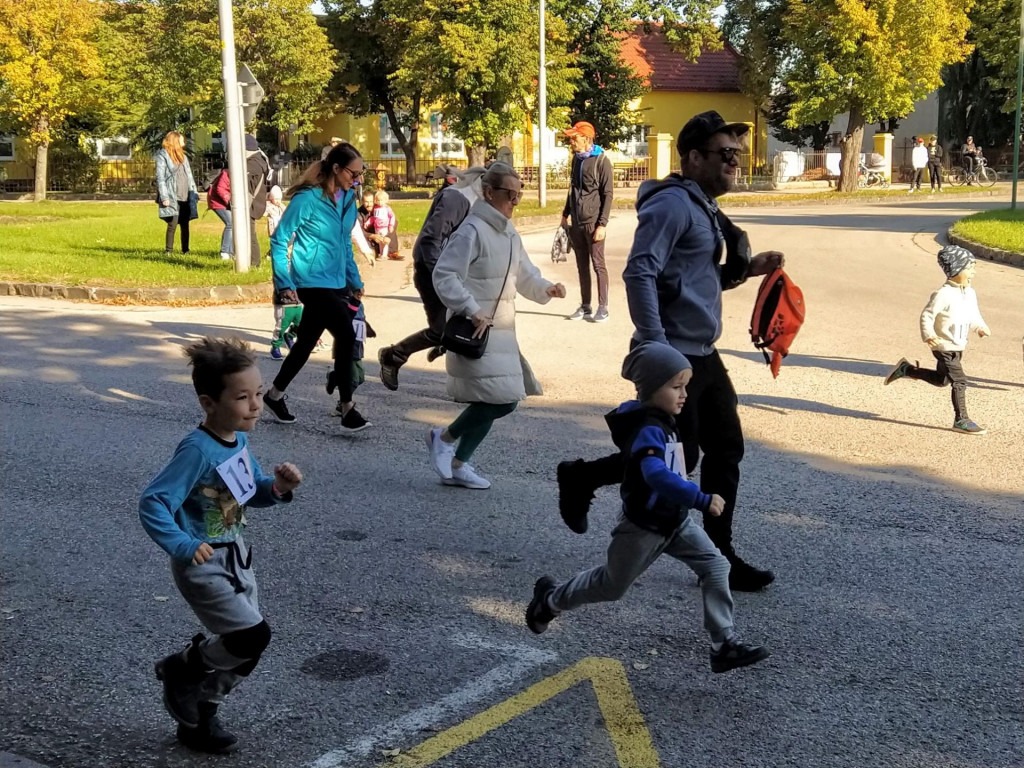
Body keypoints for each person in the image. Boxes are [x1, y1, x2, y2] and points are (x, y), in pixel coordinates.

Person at [558, 111, 783, 592]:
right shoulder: (673, 206)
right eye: (725, 155)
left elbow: (694, 281)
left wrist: (748, 271)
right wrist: (658, 347)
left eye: (737, 157)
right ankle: (580, 478)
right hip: (676, 354)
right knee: (675, 454)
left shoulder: (700, 204)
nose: (734, 164)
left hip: (702, 351)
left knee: (722, 449)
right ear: (694, 157)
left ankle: (719, 556)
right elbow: (639, 271)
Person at [526, 343, 770, 673]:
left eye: (686, 385)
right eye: (676, 387)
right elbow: (655, 475)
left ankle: (722, 644)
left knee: (716, 566)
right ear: (651, 388)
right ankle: (550, 599)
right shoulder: (647, 429)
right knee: (611, 586)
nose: (684, 394)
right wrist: (700, 498)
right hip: (643, 528)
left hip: (676, 523)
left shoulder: (667, 419)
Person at [139, 337, 302, 754]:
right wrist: (182, 543)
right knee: (251, 636)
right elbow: (155, 501)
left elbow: (247, 493)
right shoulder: (197, 449)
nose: (255, 406)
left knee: (247, 650)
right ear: (209, 403)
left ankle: (199, 721)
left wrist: (278, 487)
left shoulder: (238, 441)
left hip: (235, 558)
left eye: (259, 394)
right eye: (242, 397)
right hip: (203, 560)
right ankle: (181, 669)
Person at [426, 163, 566, 489]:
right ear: (489, 193)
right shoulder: (472, 230)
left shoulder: (508, 231)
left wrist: (546, 288)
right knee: (498, 399)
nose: (515, 202)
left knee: (503, 398)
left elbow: (525, 274)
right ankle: (444, 440)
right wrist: (472, 309)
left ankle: (458, 461)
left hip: (499, 331)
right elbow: (443, 275)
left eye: (519, 195)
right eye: (509, 195)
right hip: (474, 330)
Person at [262, 142, 371, 433]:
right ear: (336, 168)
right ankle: (347, 408)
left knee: (306, 344)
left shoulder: (348, 200)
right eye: (354, 173)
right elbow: (279, 238)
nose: (358, 180)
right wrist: (284, 282)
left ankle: (274, 395)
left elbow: (344, 245)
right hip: (310, 280)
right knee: (346, 336)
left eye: (361, 174)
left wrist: (355, 280)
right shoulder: (307, 199)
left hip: (336, 282)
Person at [376, 166, 487, 391]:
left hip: (451, 271)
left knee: (469, 320)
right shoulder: (457, 198)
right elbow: (430, 240)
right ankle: (394, 355)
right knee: (441, 329)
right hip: (432, 272)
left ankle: (449, 347)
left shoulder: (475, 201)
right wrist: (442, 277)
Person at [884, 245, 990, 434]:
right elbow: (927, 315)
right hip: (943, 345)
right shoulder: (943, 294)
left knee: (942, 380)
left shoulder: (970, 293)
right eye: (970, 267)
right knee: (960, 381)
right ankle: (961, 420)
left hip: (958, 345)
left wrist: (980, 327)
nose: (973, 272)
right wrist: (929, 335)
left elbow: (973, 315)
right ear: (956, 269)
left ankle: (906, 369)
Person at [561, 121, 613, 323]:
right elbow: (572, 189)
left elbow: (608, 194)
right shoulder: (577, 160)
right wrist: (565, 214)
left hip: (594, 223)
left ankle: (603, 307)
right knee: (581, 266)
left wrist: (603, 224)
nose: (571, 141)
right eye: (571, 138)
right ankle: (585, 306)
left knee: (598, 265)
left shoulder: (601, 161)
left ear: (587, 138)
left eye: (575, 138)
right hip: (577, 222)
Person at [266, 186, 301, 362]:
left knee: (303, 323)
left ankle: (291, 336)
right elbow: (279, 272)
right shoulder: (280, 257)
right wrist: (283, 287)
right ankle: (276, 346)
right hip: (284, 298)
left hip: (300, 297)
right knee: (281, 324)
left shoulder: (299, 255)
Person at [155, 131, 198, 255]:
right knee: (172, 223)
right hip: (172, 194)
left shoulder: (183, 156)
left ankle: (186, 250)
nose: (184, 143)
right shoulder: (163, 155)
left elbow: (189, 175)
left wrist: (193, 192)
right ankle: (168, 250)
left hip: (185, 194)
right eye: (181, 140)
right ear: (175, 141)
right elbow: (160, 178)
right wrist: (164, 196)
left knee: (185, 223)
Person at [246, 135, 270, 268]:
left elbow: (248, 185)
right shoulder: (258, 161)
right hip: (253, 203)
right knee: (249, 232)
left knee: (250, 233)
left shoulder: (253, 164)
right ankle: (251, 261)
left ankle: (255, 263)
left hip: (251, 204)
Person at [207, 164, 233, 261]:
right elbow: (220, 189)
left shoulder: (232, 174)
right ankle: (225, 251)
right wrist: (229, 200)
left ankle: (230, 252)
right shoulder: (225, 174)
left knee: (233, 225)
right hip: (217, 202)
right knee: (230, 224)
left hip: (225, 203)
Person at [371, 190, 402, 261]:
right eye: (378, 200)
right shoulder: (375, 208)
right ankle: (381, 253)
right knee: (380, 241)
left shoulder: (387, 208)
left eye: (381, 200)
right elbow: (374, 217)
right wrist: (369, 222)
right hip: (377, 228)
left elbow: (392, 216)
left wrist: (391, 225)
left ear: (385, 200)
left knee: (384, 242)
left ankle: (384, 255)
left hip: (384, 227)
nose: (379, 202)